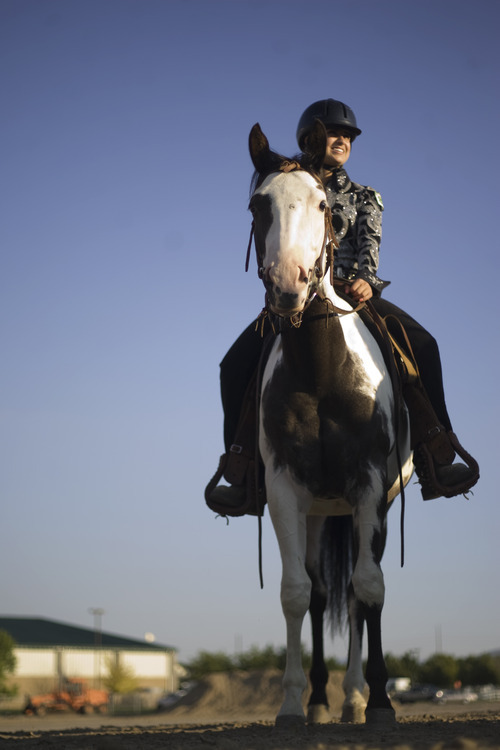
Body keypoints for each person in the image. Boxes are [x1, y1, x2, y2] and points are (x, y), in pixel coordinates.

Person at [206, 98, 479, 515]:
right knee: (233, 365)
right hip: (298, 295)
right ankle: (241, 469)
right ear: (312, 139)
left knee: (424, 346)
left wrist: (367, 280)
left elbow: (370, 246)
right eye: (335, 133)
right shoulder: (289, 184)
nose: (343, 140)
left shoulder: (366, 196)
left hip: (354, 296)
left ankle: (437, 450)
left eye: (348, 135)